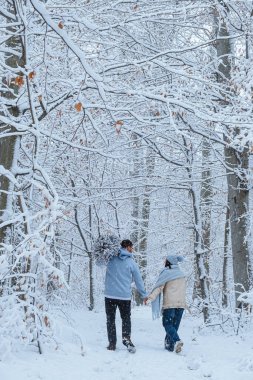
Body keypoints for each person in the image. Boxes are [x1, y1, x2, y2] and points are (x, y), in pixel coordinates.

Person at [104, 239, 147, 353]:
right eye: (131, 247)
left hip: (110, 295)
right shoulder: (131, 262)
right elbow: (138, 280)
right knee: (126, 319)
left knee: (110, 320)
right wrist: (144, 294)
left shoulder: (110, 258)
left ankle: (112, 343)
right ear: (127, 247)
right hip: (124, 296)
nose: (132, 249)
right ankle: (126, 339)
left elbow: (98, 263)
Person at [145, 255, 187, 353]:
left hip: (170, 305)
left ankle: (177, 341)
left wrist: (150, 299)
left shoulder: (167, 273)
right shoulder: (182, 274)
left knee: (167, 324)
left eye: (166, 260)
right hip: (181, 305)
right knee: (174, 327)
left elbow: (158, 288)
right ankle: (170, 346)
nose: (164, 262)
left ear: (169, 262)